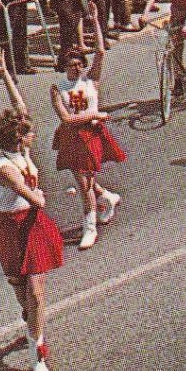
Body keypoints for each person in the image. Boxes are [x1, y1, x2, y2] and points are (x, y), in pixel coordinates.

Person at [0, 77, 62, 371]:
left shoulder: (21, 154)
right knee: (23, 296)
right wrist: (41, 197)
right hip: (10, 230)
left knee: (36, 295)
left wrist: (4, 71)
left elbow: (20, 106)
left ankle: (38, 356)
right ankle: (31, 326)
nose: (34, 135)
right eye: (30, 133)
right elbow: (28, 192)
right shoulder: (5, 168)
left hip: (32, 227)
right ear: (19, 139)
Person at [49, 35, 125, 251]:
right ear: (63, 66)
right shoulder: (58, 88)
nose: (76, 68)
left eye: (79, 64)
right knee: (84, 179)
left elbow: (100, 52)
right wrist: (96, 114)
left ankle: (90, 227)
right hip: (71, 137)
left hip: (90, 136)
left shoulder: (91, 81)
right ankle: (107, 197)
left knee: (84, 185)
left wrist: (95, 21)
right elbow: (66, 119)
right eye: (71, 65)